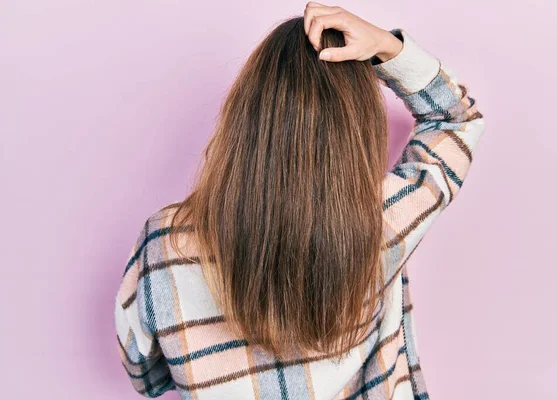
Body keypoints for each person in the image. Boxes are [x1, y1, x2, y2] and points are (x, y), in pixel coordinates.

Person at [113, 2, 486, 399]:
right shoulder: (382, 225)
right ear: (358, 127)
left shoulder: (166, 244)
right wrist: (385, 48)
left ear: (246, 114)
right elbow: (455, 121)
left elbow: (147, 379)